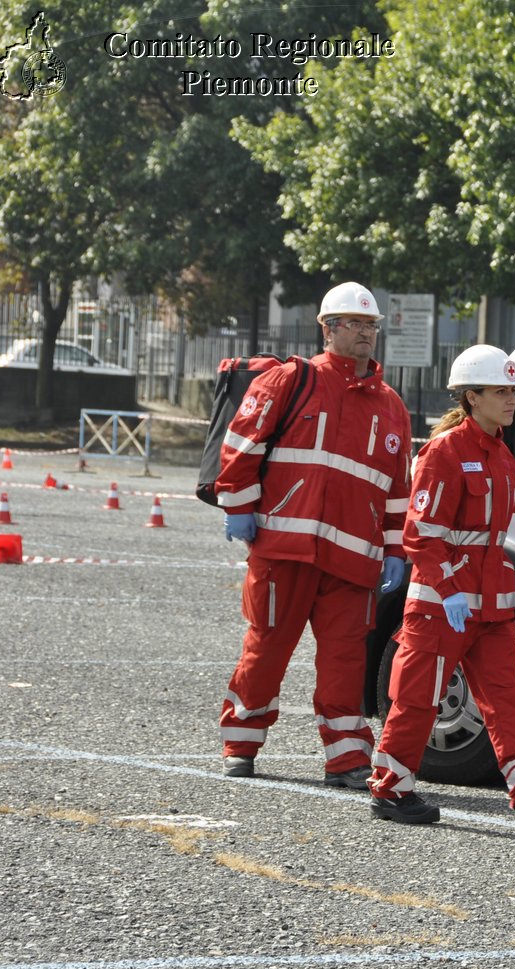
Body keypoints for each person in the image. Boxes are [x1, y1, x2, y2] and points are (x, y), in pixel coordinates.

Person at [366, 344, 515, 828]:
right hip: (442, 603)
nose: (512, 400)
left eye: (513, 391)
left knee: (508, 694)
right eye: (501, 391)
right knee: (417, 696)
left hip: (490, 606)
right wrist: (448, 592)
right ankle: (390, 789)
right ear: (471, 397)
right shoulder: (445, 453)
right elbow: (420, 534)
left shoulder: (503, 457)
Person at [214, 281, 412, 786]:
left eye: (371, 325)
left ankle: (346, 757)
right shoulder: (290, 380)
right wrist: (239, 506)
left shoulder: (392, 407)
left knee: (345, 662)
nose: (366, 333)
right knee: (266, 650)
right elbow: (241, 445)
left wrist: (394, 551)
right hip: (285, 548)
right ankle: (241, 743)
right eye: (355, 324)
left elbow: (396, 491)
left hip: (353, 562)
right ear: (327, 329)